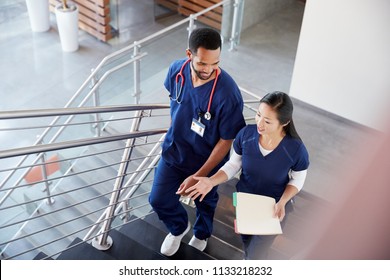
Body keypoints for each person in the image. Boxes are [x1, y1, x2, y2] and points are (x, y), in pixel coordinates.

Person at [149, 27, 246, 256]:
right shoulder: (177, 71)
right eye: (202, 63)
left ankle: (202, 233)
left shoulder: (228, 93)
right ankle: (179, 227)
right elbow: (176, 101)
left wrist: (201, 175)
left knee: (206, 202)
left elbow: (227, 139)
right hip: (174, 152)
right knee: (158, 199)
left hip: (207, 161)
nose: (209, 70)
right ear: (189, 54)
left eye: (215, 63)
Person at [184, 91, 309, 259]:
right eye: (258, 115)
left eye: (267, 121)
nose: (259, 123)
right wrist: (211, 181)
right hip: (245, 202)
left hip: (274, 208)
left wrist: (284, 201)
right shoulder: (245, 135)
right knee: (247, 241)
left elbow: (298, 179)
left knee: (256, 253)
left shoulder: (295, 149)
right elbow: (233, 164)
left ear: (284, 122)